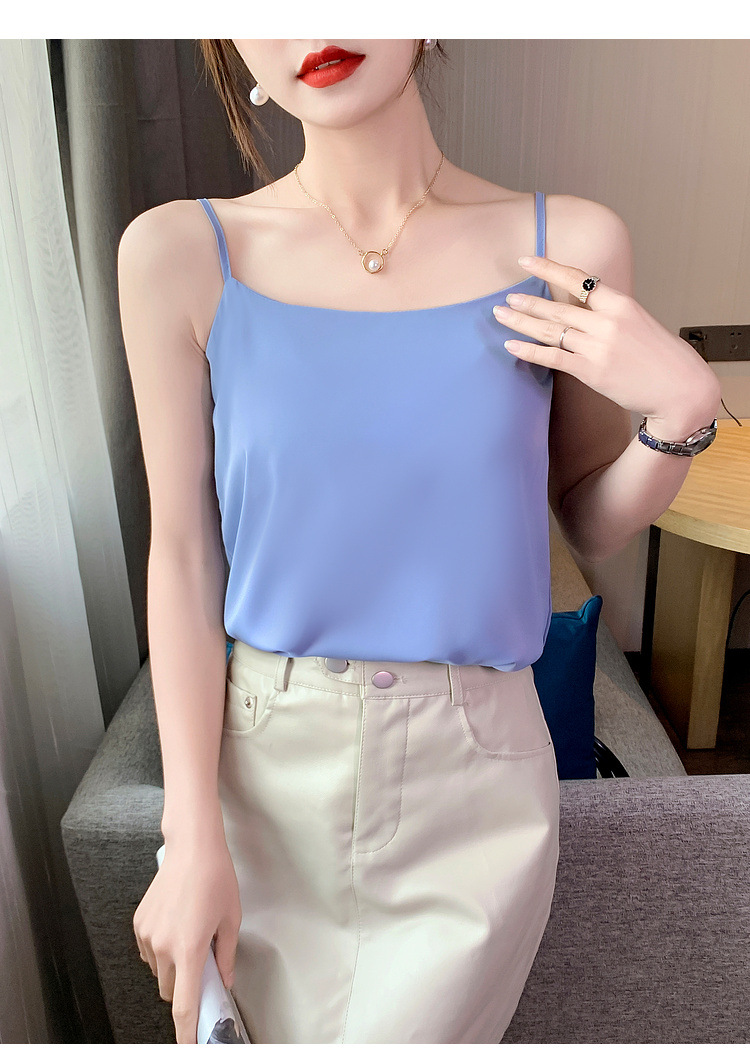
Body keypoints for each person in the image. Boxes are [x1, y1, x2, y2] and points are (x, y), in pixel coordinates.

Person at [116, 39, 722, 1044]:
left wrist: (680, 416)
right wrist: (189, 835)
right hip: (266, 778)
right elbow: (182, 554)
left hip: (474, 784)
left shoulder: (565, 243)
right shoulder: (178, 253)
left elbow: (589, 517)